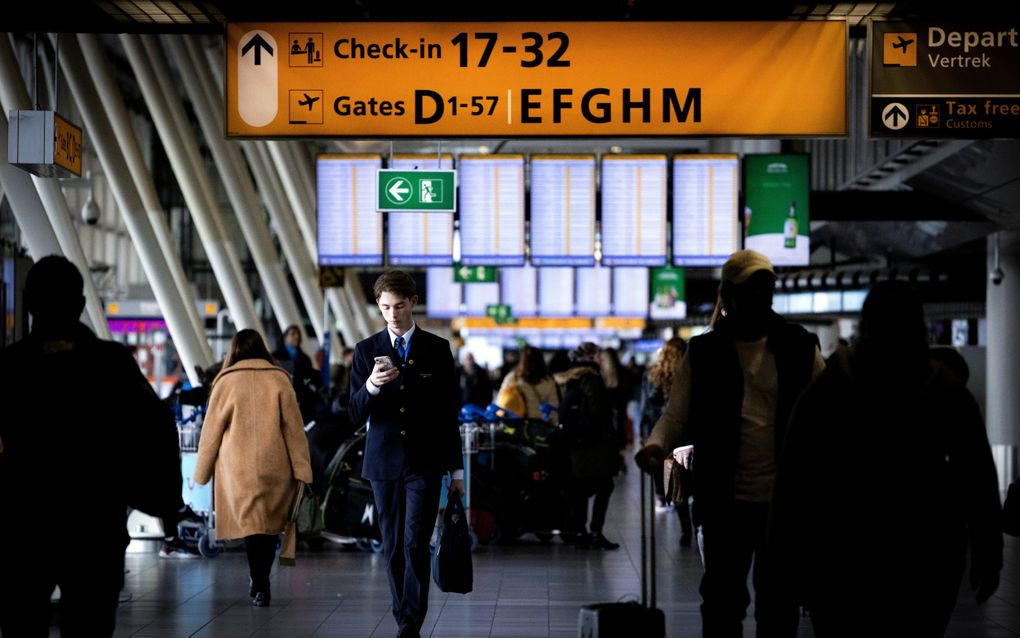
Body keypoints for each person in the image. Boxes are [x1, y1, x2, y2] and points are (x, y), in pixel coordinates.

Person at [769, 281, 1002, 638]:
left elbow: (793, 481)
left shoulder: (828, 391)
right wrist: (988, 550)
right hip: (925, 558)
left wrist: (785, 560)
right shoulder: (945, 392)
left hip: (841, 559)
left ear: (865, 327)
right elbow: (978, 477)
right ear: (919, 328)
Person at [635, 249, 825, 638]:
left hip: (784, 502)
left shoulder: (799, 346)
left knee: (779, 605)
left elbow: (829, 411)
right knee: (722, 604)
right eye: (750, 291)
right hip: (724, 501)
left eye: (765, 290)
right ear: (729, 295)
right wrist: (656, 446)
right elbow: (678, 414)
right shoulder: (704, 352)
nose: (759, 299)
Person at [0, 255, 181, 636]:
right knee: (90, 623)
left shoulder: (9, 368)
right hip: (96, 526)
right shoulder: (112, 364)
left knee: (20, 621)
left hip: (23, 528)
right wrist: (160, 499)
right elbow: (156, 427)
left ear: (28, 301)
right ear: (81, 305)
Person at [348, 271, 464, 638]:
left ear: (413, 301)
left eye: (398, 306)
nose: (392, 315)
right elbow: (353, 413)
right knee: (393, 544)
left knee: (416, 541)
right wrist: (370, 386)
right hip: (383, 463)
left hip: (424, 463)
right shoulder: (366, 351)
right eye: (385, 308)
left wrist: (457, 471)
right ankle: (403, 614)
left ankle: (410, 622)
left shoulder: (437, 349)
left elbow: (449, 414)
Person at [195, 329, 313, 607]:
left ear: (233, 351)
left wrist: (201, 472)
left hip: (238, 468)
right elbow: (294, 430)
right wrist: (303, 471)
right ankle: (261, 579)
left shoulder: (225, 382)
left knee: (251, 526)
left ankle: (258, 579)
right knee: (269, 527)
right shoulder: (279, 378)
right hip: (276, 465)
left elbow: (211, 432)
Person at [556, 342, 621, 550]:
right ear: (591, 357)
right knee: (605, 485)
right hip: (594, 444)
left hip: (576, 442)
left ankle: (581, 531)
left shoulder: (569, 378)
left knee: (581, 488)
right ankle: (595, 531)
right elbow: (596, 411)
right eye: (598, 355)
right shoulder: (591, 378)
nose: (600, 359)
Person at [639, 337, 693, 545]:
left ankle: (685, 528)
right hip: (686, 434)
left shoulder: (652, 376)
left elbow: (646, 410)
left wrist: (645, 437)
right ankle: (697, 525)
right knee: (692, 480)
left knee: (675, 482)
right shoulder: (689, 374)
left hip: (662, 435)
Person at [498, 345, 558, 423]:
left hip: (516, 424)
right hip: (538, 425)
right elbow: (553, 408)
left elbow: (501, 401)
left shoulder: (512, 378)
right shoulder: (548, 381)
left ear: (522, 360)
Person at [272, 324, 320, 422]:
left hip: (305, 400)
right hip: (286, 398)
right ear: (285, 337)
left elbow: (310, 376)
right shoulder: (276, 356)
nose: (296, 336)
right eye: (293, 334)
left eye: (298, 334)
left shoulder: (305, 358)